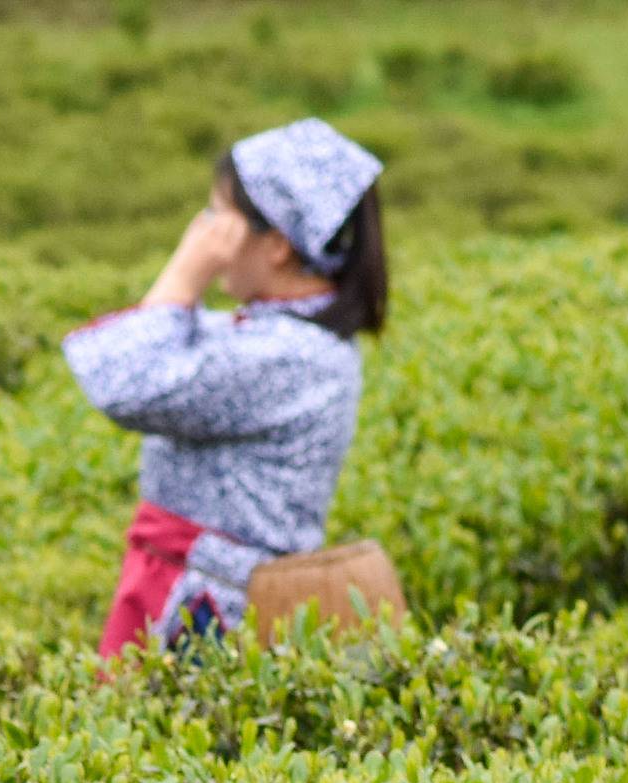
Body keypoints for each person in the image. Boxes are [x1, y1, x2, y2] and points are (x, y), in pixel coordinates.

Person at [64, 117, 389, 657]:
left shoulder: (289, 355)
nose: (206, 232)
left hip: (212, 611)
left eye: (220, 217)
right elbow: (134, 350)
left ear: (277, 245)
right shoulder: (286, 334)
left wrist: (185, 272)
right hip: (197, 585)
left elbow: (123, 381)